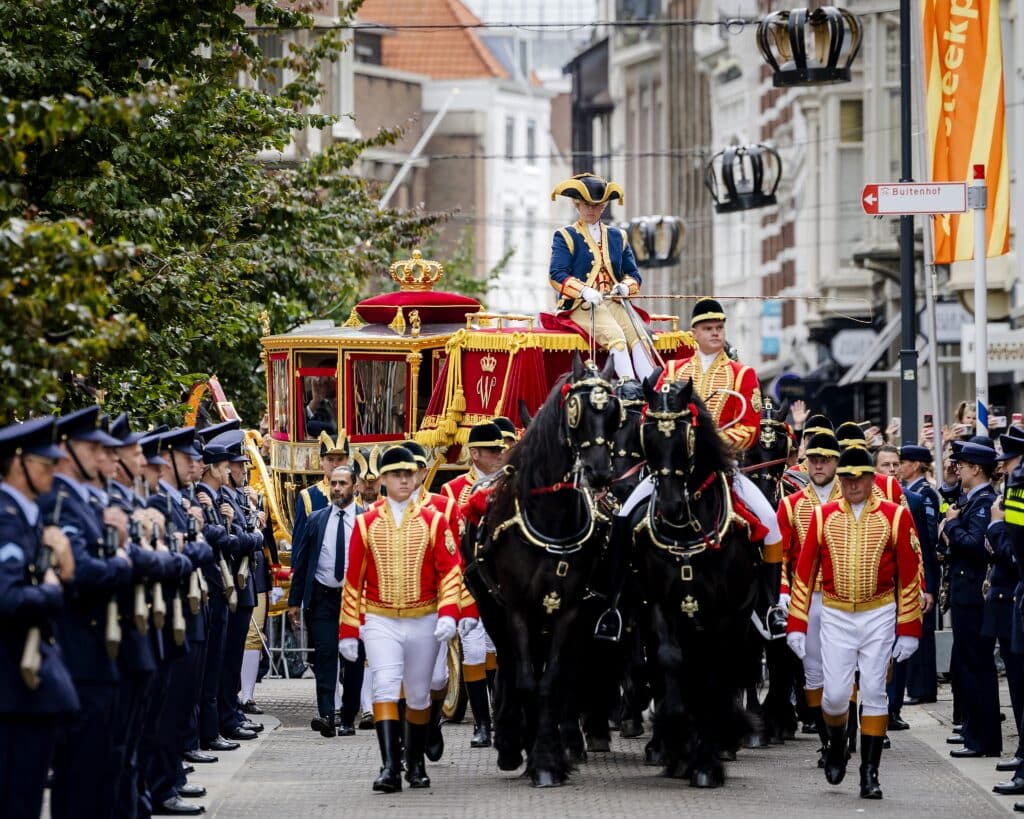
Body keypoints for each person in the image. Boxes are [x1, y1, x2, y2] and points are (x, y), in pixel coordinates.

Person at [786, 446, 922, 800]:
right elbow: (804, 574)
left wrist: (908, 629)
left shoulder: (895, 515)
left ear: (870, 478)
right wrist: (798, 624)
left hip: (878, 613)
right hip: (834, 613)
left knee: (875, 691)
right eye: (846, 478)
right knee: (833, 697)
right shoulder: (823, 515)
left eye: (859, 477)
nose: (852, 484)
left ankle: (869, 772)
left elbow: (909, 575)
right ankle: (834, 744)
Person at [339, 446, 463, 793]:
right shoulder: (365, 524)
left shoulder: (434, 521)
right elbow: (354, 580)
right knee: (385, 684)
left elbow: (450, 572)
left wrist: (449, 612)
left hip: (424, 617)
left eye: (409, 473)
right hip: (379, 619)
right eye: (396, 474)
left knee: (420, 694)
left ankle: (417, 764)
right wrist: (349, 630)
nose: (404, 479)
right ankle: (390, 766)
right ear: (382, 480)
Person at [37, 406, 134, 819]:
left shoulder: (83, 501)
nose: (101, 457)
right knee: (79, 775)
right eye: (91, 448)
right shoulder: (62, 504)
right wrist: (122, 561)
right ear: (66, 451)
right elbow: (82, 571)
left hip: (98, 651)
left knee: (100, 766)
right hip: (79, 650)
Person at [0, 416, 80, 819]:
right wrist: (54, 586)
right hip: (14, 684)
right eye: (45, 465)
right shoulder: (7, 519)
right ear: (19, 464)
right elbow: (9, 597)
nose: (53, 472)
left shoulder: (25, 514)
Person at [548, 172, 652, 381]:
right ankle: (628, 388)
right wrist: (584, 291)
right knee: (617, 337)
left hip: (613, 301)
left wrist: (625, 287)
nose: (591, 210)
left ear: (604, 207)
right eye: (586, 204)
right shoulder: (566, 236)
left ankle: (652, 390)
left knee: (640, 337)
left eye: (597, 205)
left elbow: (633, 275)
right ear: (577, 204)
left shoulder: (617, 236)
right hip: (581, 305)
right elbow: (556, 275)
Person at [777, 430, 841, 765]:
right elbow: (783, 555)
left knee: (846, 672)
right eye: (813, 459)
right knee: (813, 672)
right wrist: (784, 591)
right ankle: (827, 741)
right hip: (809, 597)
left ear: (836, 463)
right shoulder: (790, 504)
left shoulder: (854, 498)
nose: (818, 466)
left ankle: (846, 734)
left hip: (846, 596)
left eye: (825, 459)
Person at [288, 465, 361, 737]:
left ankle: (349, 716)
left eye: (343, 483)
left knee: (352, 658)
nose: (337, 489)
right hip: (323, 599)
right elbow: (303, 561)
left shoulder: (365, 519)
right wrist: (294, 601)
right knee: (326, 654)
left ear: (354, 486)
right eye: (333, 483)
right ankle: (327, 714)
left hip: (354, 600)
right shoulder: (317, 519)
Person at [940, 441, 1002, 759]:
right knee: (969, 665)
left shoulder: (983, 502)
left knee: (977, 666)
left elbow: (975, 544)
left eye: (962, 465)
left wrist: (950, 524)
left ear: (976, 468)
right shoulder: (973, 500)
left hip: (974, 595)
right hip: (966, 594)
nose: (957, 469)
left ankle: (982, 739)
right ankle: (974, 732)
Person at [898, 444, 942, 707]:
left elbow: (926, 540)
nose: (899, 467)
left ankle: (923, 687)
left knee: (923, 632)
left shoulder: (924, 494)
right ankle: (917, 685)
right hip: (919, 568)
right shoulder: (913, 492)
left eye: (902, 462)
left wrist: (929, 583)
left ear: (915, 465)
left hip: (925, 566)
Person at [291, 431, 348, 569]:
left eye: (340, 459)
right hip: (318, 578)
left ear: (348, 460)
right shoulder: (308, 496)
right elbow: (299, 547)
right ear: (321, 461)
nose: (335, 464)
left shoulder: (358, 494)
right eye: (330, 459)